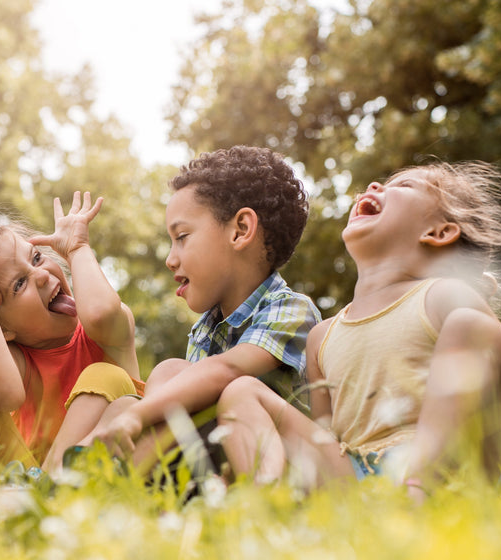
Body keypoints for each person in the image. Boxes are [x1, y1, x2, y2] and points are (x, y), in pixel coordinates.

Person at [215, 160, 501, 498]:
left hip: (448, 477)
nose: (374, 186)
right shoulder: (322, 337)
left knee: (470, 323)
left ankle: (419, 492)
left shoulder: (443, 296)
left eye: (402, 186)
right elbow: (324, 437)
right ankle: (265, 506)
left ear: (438, 232)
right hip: (358, 483)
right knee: (240, 392)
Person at [73, 146, 320, 477]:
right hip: (213, 464)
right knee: (157, 379)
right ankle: (92, 473)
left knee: (163, 388)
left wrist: (138, 417)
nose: (170, 259)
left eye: (182, 237)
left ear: (241, 229)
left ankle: (94, 478)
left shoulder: (291, 309)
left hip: (286, 467)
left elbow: (228, 369)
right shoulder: (206, 329)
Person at [0, 192, 144, 496]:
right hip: (26, 489)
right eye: (19, 284)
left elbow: (100, 313)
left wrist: (78, 248)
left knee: (105, 375)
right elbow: (2, 398)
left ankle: (45, 495)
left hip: (116, 468)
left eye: (36, 257)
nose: (41, 275)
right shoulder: (17, 362)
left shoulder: (106, 335)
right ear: (2, 327)